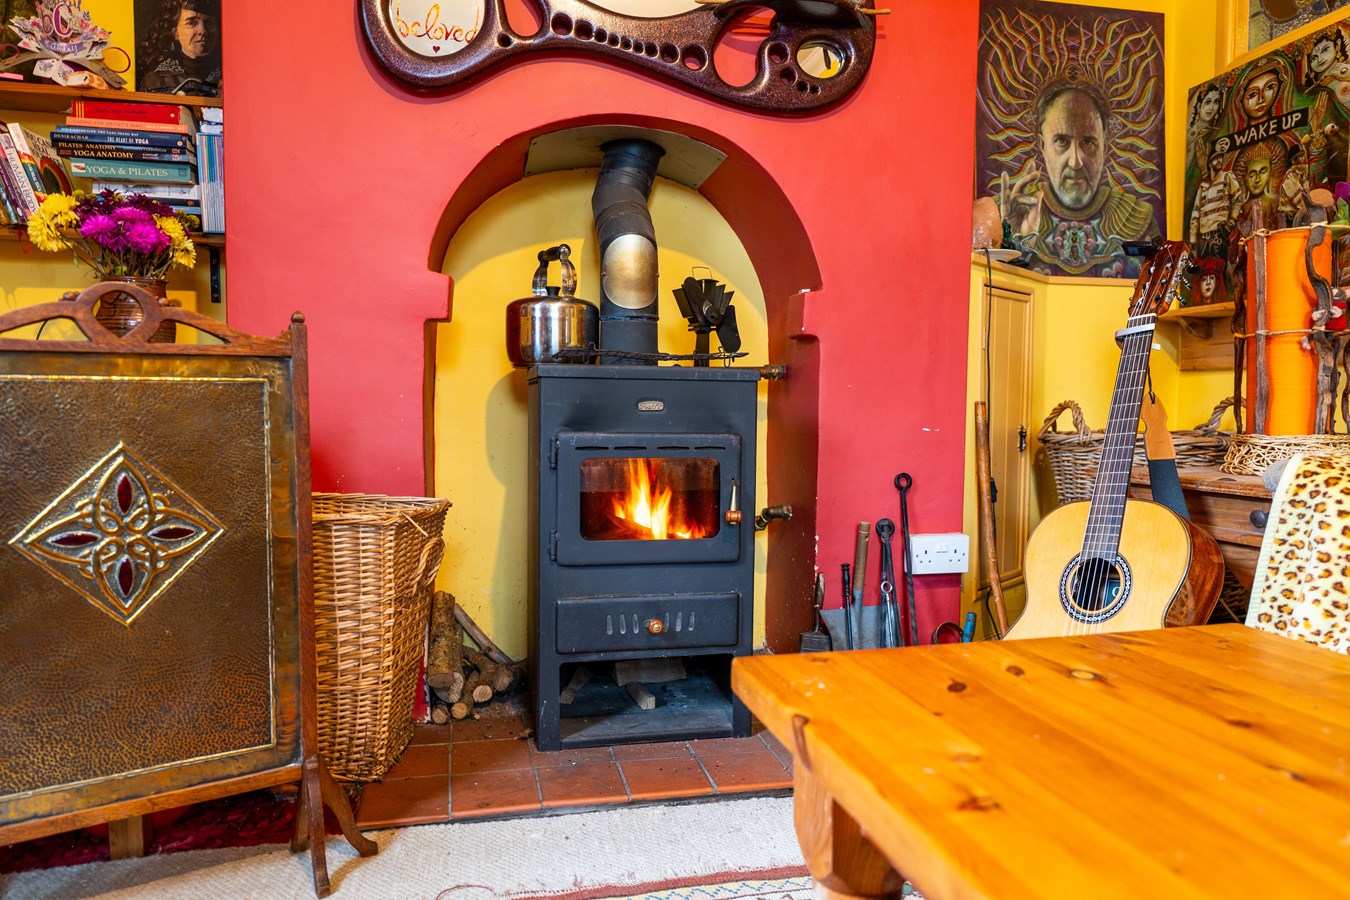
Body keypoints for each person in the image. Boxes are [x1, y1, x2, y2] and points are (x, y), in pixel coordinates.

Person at [998, 83, 1159, 276]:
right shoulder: (1010, 213)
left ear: (1104, 146)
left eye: (1088, 142)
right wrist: (1011, 241)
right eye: (1061, 141)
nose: (1075, 162)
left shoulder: (1138, 218)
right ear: (1042, 145)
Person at [137, 0, 221, 97]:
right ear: (175, 32)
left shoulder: (228, 77)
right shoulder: (156, 80)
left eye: (209, 23)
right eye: (191, 23)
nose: (202, 30)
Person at [1189, 151, 1241, 260]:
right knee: (1202, 269)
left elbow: (1237, 200)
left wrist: (1231, 221)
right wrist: (1192, 242)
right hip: (1204, 241)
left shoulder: (1227, 177)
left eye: (1220, 158)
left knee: (1218, 268)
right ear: (1209, 163)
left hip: (1219, 237)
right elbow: (1195, 214)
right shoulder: (1203, 186)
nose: (1219, 160)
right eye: (1215, 158)